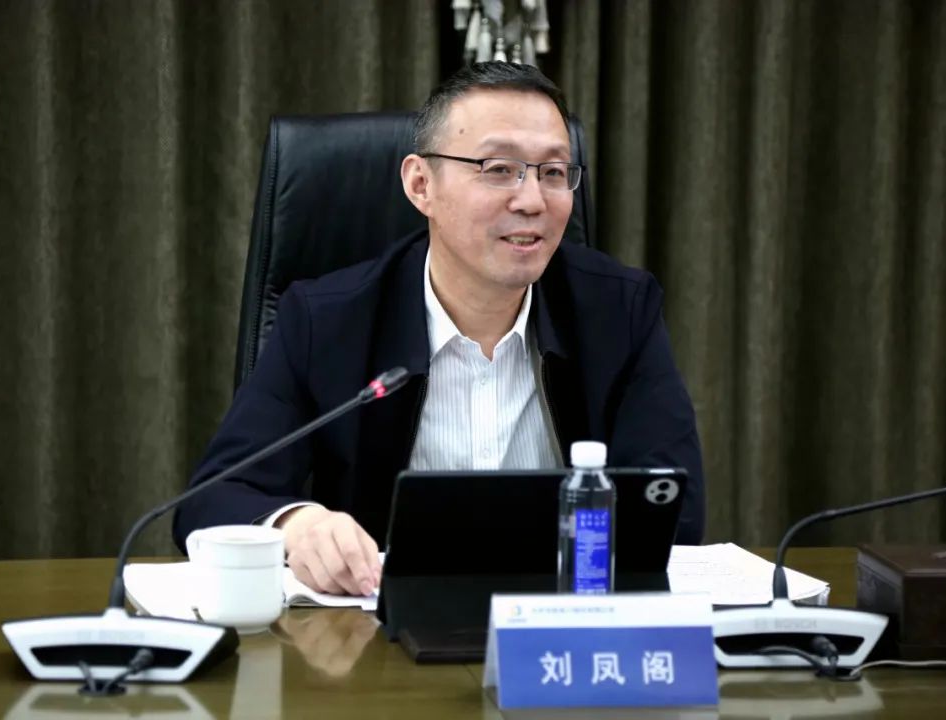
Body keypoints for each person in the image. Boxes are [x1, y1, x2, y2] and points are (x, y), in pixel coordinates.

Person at [172, 61, 704, 597]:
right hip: (378, 631)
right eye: (499, 169)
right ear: (420, 184)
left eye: (553, 172)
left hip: (563, 623)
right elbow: (212, 500)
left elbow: (674, 512)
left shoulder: (620, 311)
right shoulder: (325, 320)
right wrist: (297, 525)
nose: (532, 200)